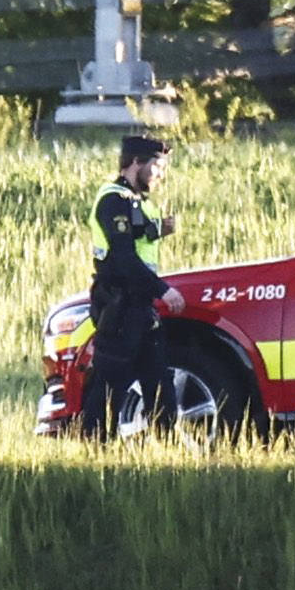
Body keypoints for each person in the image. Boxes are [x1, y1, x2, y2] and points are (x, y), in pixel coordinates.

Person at [82, 131, 174, 436]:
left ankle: (171, 451)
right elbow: (123, 258)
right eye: (157, 167)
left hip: (140, 307)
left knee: (160, 387)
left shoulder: (136, 202)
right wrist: (164, 290)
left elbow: (137, 234)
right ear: (136, 162)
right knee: (108, 389)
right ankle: (95, 452)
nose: (160, 175)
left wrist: (159, 229)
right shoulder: (113, 200)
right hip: (120, 308)